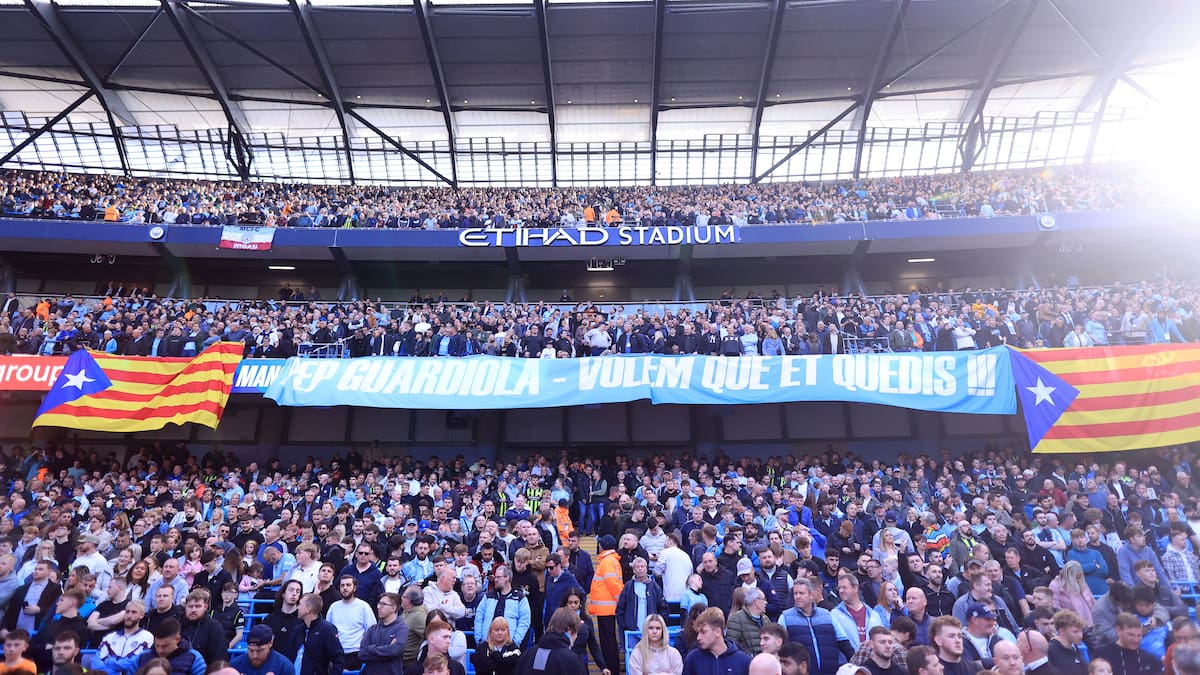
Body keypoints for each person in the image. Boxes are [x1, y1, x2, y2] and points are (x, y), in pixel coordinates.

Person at [779, 578, 853, 675]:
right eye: (795, 593)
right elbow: (779, 649)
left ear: (811, 595)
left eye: (801, 593)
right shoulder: (785, 618)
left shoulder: (827, 615)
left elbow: (844, 643)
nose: (797, 597)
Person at [286, 594, 345, 675]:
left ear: (308, 609)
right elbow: (288, 656)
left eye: (300, 604)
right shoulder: (297, 630)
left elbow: (338, 658)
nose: (297, 607)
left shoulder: (327, 629)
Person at [681, 607, 751, 675]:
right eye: (698, 633)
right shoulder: (692, 659)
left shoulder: (743, 661)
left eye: (703, 632)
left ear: (717, 632)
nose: (698, 637)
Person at [326, 575, 376, 670]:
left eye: (348, 585)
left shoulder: (363, 607)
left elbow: (371, 631)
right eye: (342, 585)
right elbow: (328, 630)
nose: (345, 588)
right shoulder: (334, 607)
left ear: (355, 588)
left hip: (356, 654)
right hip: (336, 654)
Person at [512, 608, 582, 675]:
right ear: (569, 630)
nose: (576, 637)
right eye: (576, 633)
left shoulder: (527, 655)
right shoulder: (571, 660)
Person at [474, 566, 531, 648]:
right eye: (495, 577)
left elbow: (524, 621)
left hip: (509, 646)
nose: (495, 580)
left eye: (498, 577)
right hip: (487, 645)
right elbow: (479, 617)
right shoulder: (488, 596)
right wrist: (479, 640)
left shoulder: (520, 597)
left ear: (507, 578)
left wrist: (515, 642)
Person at [590, 535, 623, 674]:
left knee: (607, 642)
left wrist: (620, 602)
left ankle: (611, 669)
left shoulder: (607, 561)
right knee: (608, 640)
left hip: (606, 608)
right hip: (607, 608)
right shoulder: (610, 560)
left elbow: (613, 584)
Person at [1091, 613, 1162, 675]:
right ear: (1119, 631)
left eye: (1139, 635)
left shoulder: (1149, 659)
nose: (1136, 640)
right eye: (1131, 635)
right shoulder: (1103, 654)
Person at [560, 588, 609, 675]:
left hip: (581, 662)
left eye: (576, 602)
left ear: (580, 603)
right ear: (566, 603)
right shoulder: (559, 619)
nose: (573, 605)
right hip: (563, 661)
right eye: (570, 602)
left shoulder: (587, 620)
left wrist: (603, 666)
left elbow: (593, 645)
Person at [617, 557, 668, 639]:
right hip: (632, 632)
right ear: (633, 570)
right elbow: (620, 609)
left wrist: (658, 625)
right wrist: (625, 626)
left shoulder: (654, 586)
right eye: (637, 567)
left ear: (646, 568)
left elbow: (663, 608)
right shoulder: (628, 586)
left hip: (651, 633)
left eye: (642, 566)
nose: (640, 569)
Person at [133, 619, 207, 675]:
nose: (160, 650)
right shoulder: (143, 656)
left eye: (165, 646)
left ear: (178, 639)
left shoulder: (193, 658)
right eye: (157, 645)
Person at [359, 592, 408, 675]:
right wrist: (387, 651)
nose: (378, 607)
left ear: (393, 608)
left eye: (383, 604)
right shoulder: (372, 629)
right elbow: (361, 655)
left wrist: (371, 649)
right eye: (379, 604)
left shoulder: (401, 628)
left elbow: (395, 650)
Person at [230, 625, 296, 675]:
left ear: (270, 643)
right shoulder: (235, 665)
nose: (254, 655)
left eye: (260, 651)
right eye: (251, 650)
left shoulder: (284, 666)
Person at [726, 587, 773, 657]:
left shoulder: (766, 619)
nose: (766, 602)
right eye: (764, 599)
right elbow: (731, 644)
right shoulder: (736, 619)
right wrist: (749, 656)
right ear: (756, 602)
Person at [1047, 610, 1087, 675]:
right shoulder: (1050, 650)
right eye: (1075, 632)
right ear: (1061, 631)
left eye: (1081, 631)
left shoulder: (1074, 648)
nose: (1081, 635)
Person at [402, 586, 430, 664]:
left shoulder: (418, 616)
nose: (401, 598)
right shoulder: (406, 611)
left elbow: (430, 635)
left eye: (403, 596)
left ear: (409, 600)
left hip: (409, 661)